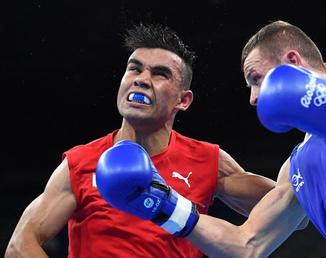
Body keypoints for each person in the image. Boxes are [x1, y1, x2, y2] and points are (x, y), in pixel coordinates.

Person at [92, 20, 326, 258]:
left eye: (255, 78)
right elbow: (247, 244)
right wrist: (166, 207)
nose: (253, 98)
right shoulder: (295, 167)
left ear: (292, 62)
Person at [5, 23, 276, 258]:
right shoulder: (81, 162)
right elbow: (20, 245)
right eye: (134, 69)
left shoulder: (207, 160)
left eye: (160, 74)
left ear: (183, 100)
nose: (142, 80)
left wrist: (315, 145)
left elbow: (290, 204)